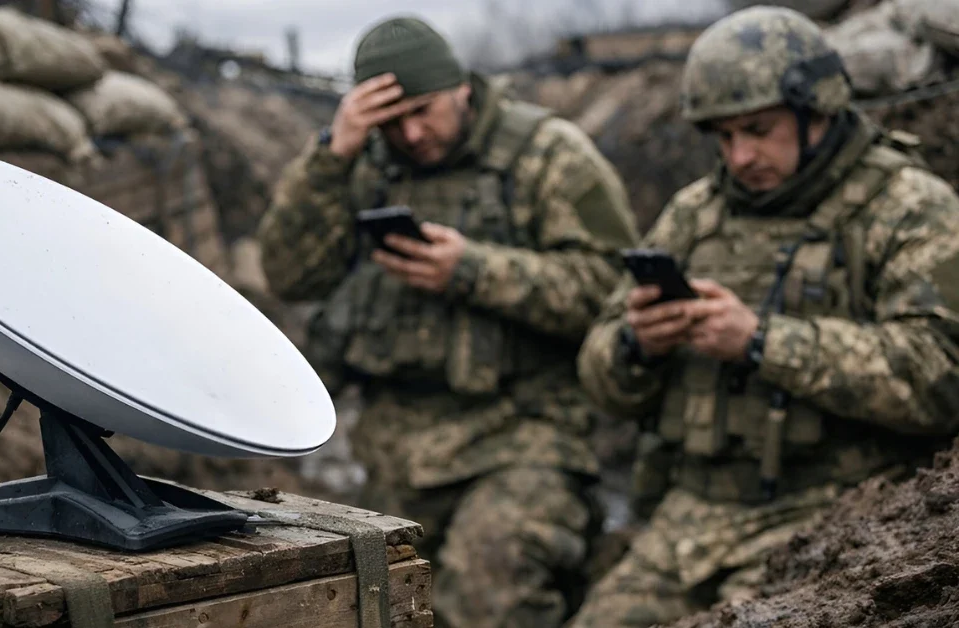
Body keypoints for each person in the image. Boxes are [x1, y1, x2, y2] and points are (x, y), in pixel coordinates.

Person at [566, 6, 959, 627]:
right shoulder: (695, 214)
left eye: (758, 129)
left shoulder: (911, 208)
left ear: (819, 111)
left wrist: (761, 341)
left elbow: (941, 377)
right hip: (687, 520)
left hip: (833, 521)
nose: (741, 155)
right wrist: (637, 345)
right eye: (723, 137)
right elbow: (598, 377)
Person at [256, 14, 639, 627]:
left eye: (424, 110)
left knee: (488, 594)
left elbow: (616, 295)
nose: (411, 133)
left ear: (461, 86)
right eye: (392, 120)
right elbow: (290, 274)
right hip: (394, 446)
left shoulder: (549, 156)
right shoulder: (363, 165)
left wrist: (475, 270)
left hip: (524, 434)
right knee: (371, 605)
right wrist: (333, 155)